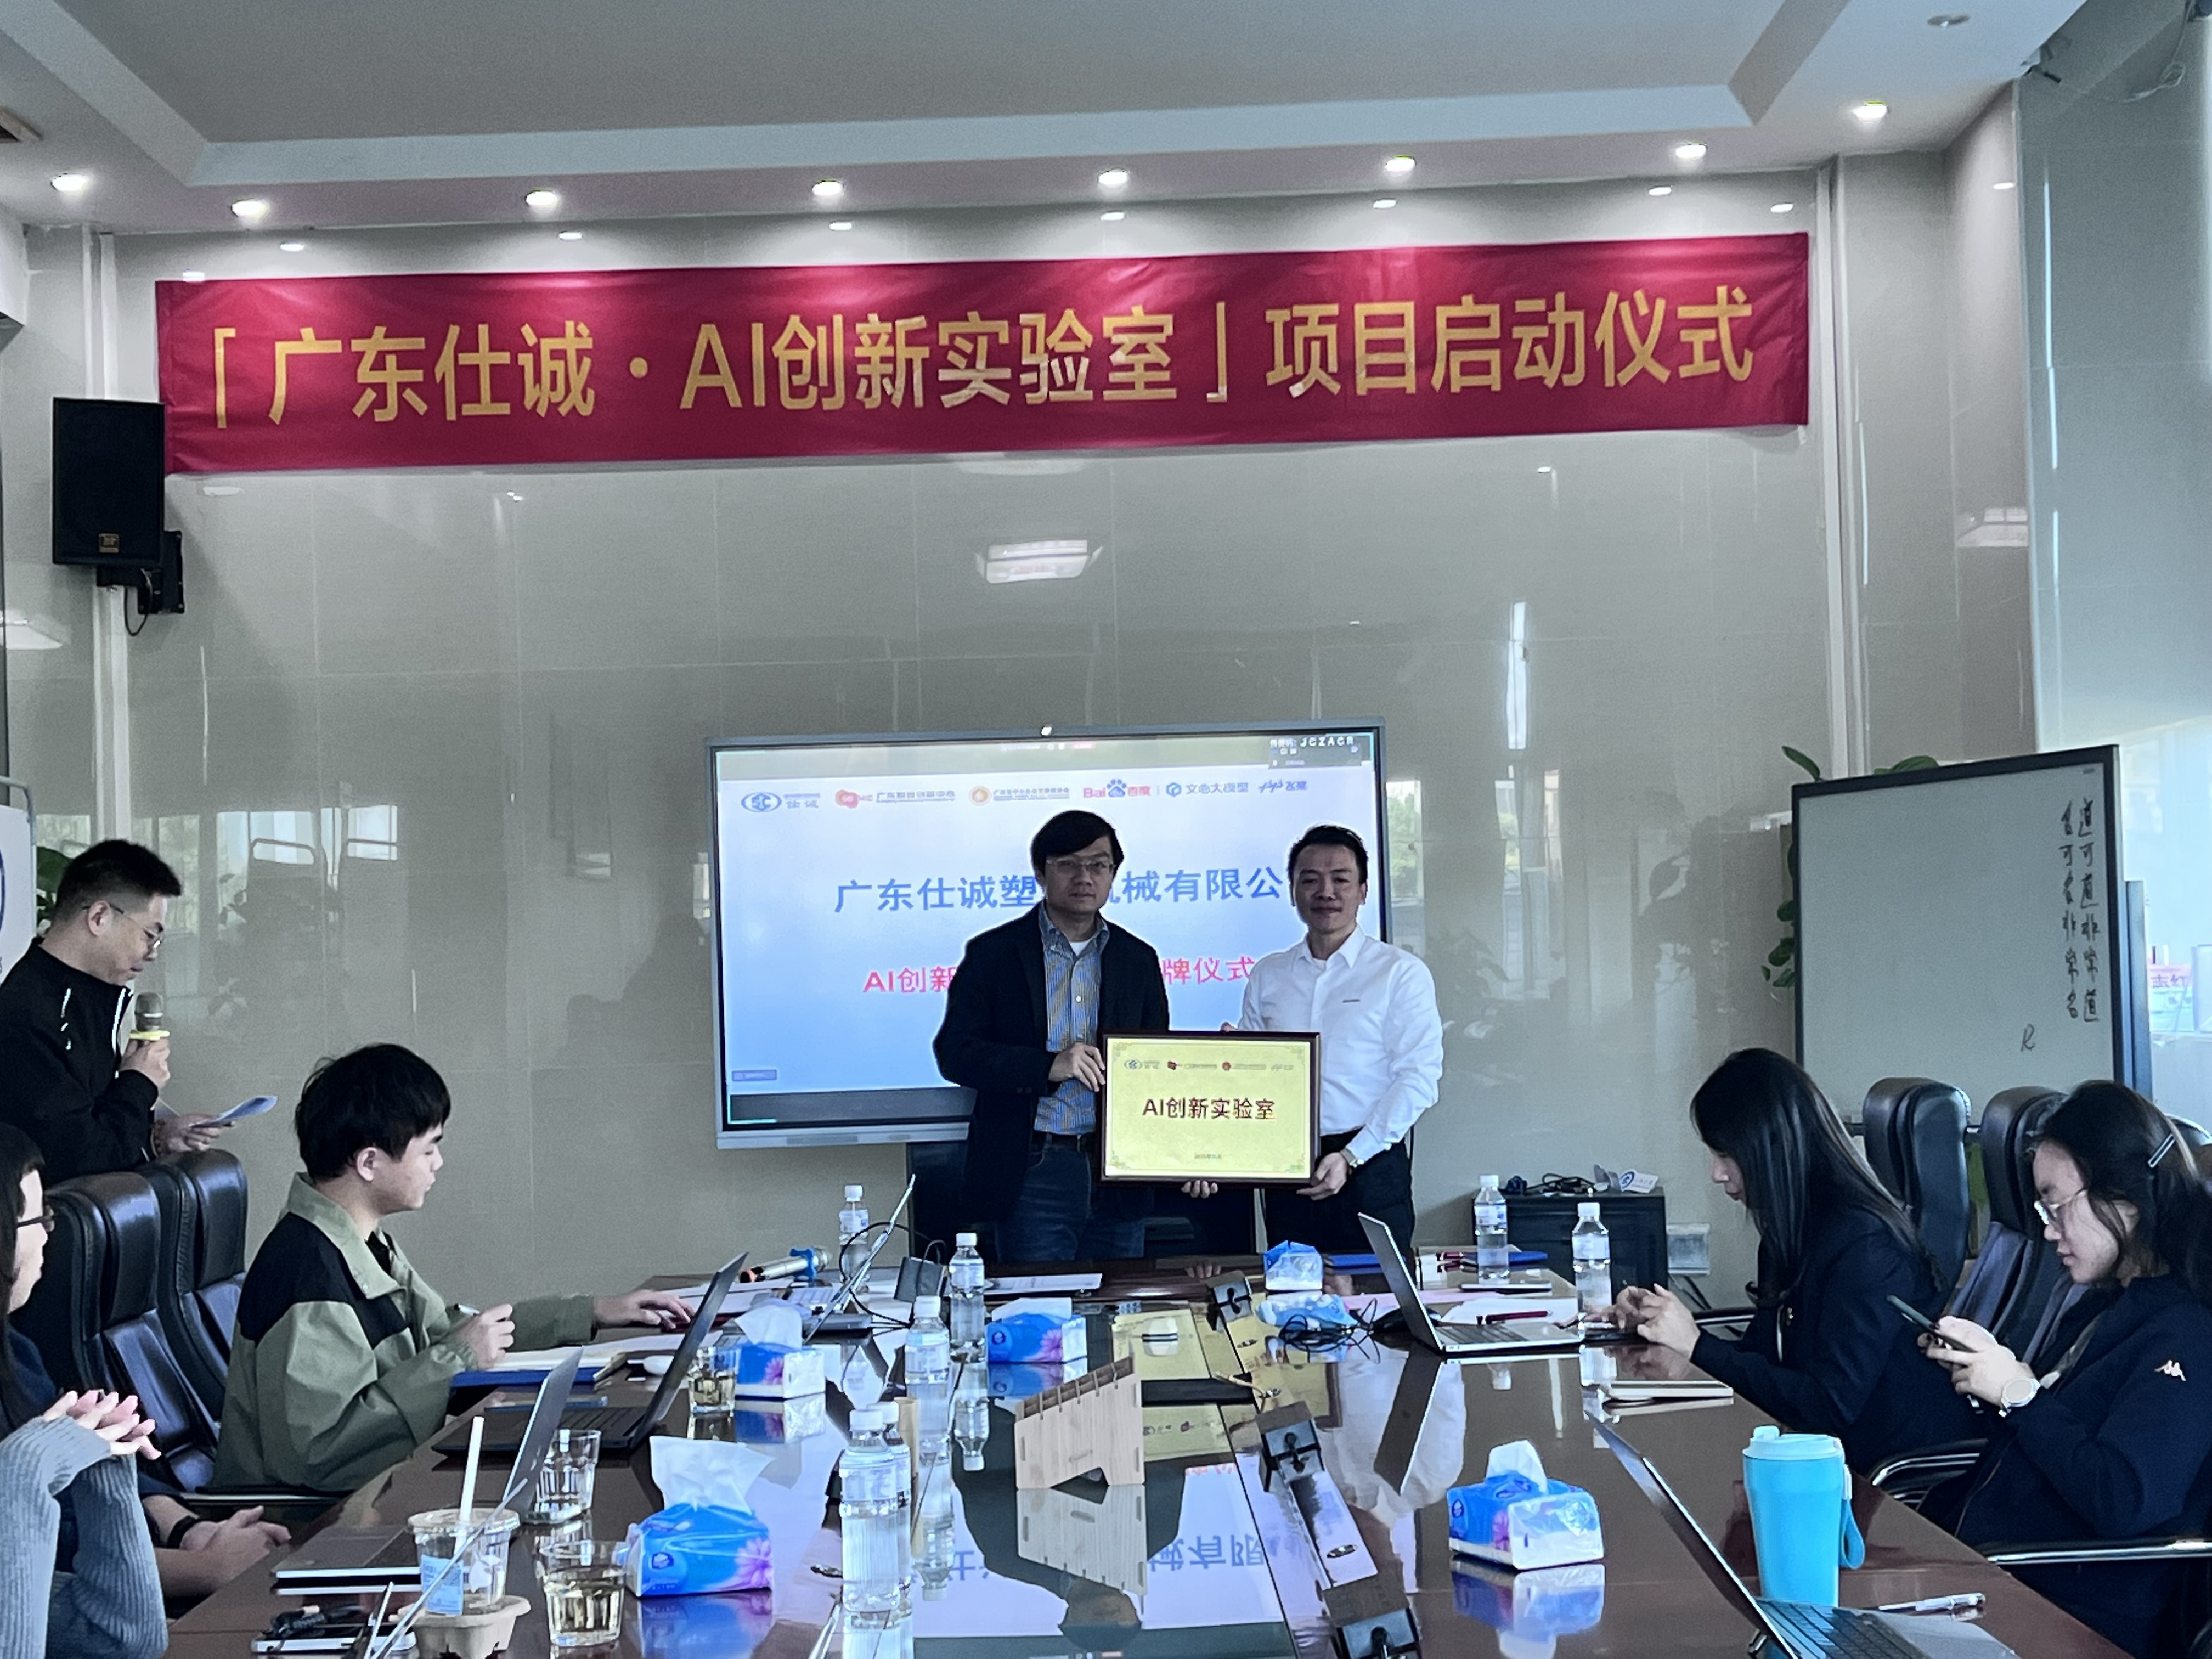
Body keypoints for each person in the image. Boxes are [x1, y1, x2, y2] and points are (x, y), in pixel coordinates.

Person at [215, 1044, 692, 1492]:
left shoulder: (362, 1244)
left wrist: (593, 1312)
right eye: (428, 1149)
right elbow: (320, 1454)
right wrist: (459, 1359)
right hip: (311, 1524)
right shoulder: (308, 1274)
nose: (438, 1163)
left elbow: (451, 1331)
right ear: (369, 1162)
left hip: (380, 1490)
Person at [1918, 1083, 2212, 1659]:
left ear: (2124, 1200)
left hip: (2076, 1615)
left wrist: (2021, 1396)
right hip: (2002, 1576)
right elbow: (2057, 1436)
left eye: (2056, 1206)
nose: (2049, 1229)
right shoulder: (2108, 1301)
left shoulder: (2186, 1331)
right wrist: (1991, 1376)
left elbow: (2124, 1498)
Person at [1609, 1048, 1976, 1472]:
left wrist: (1697, 1344)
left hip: (1887, 1478)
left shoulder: (1867, 1245)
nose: (1717, 1173)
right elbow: (1766, 1358)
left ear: (1773, 1148)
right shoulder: (1794, 1229)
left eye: (1726, 1155)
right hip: (1812, 1457)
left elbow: (1830, 1405)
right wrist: (1666, 1329)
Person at [1181, 826, 1442, 1256]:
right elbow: (1250, 1081)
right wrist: (1231, 1064)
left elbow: (1418, 1079)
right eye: (1310, 880)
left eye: (1340, 879)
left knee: (1376, 1291)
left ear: (1363, 891)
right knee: (1291, 1290)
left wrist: (1352, 1156)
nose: (1326, 892)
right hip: (1288, 1165)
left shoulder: (1399, 973)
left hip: (1370, 1163)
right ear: (1292, 891)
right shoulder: (1270, 974)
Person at [934, 810, 1171, 1265]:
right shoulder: (994, 954)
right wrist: (1047, 1066)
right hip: (1033, 1170)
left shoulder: (1138, 959)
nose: (1085, 877)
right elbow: (955, 1053)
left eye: (1098, 865)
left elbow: (1157, 1066)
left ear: (1113, 874)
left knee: (1119, 1303)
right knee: (1041, 1305)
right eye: (1068, 864)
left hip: (1119, 1172)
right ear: (1041, 872)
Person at [0, 1120, 166, 1658]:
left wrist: (104, 1472)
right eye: (39, 1218)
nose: (49, 1234)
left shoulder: (14, 1352)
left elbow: (125, 1642)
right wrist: (24, 1468)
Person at [0, 839, 224, 1182]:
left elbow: (92, 1122)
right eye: (149, 935)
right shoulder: (27, 1015)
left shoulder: (86, 998)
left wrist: (157, 1138)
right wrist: (139, 1082)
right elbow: (82, 1155)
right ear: (100, 917)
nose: (153, 953)